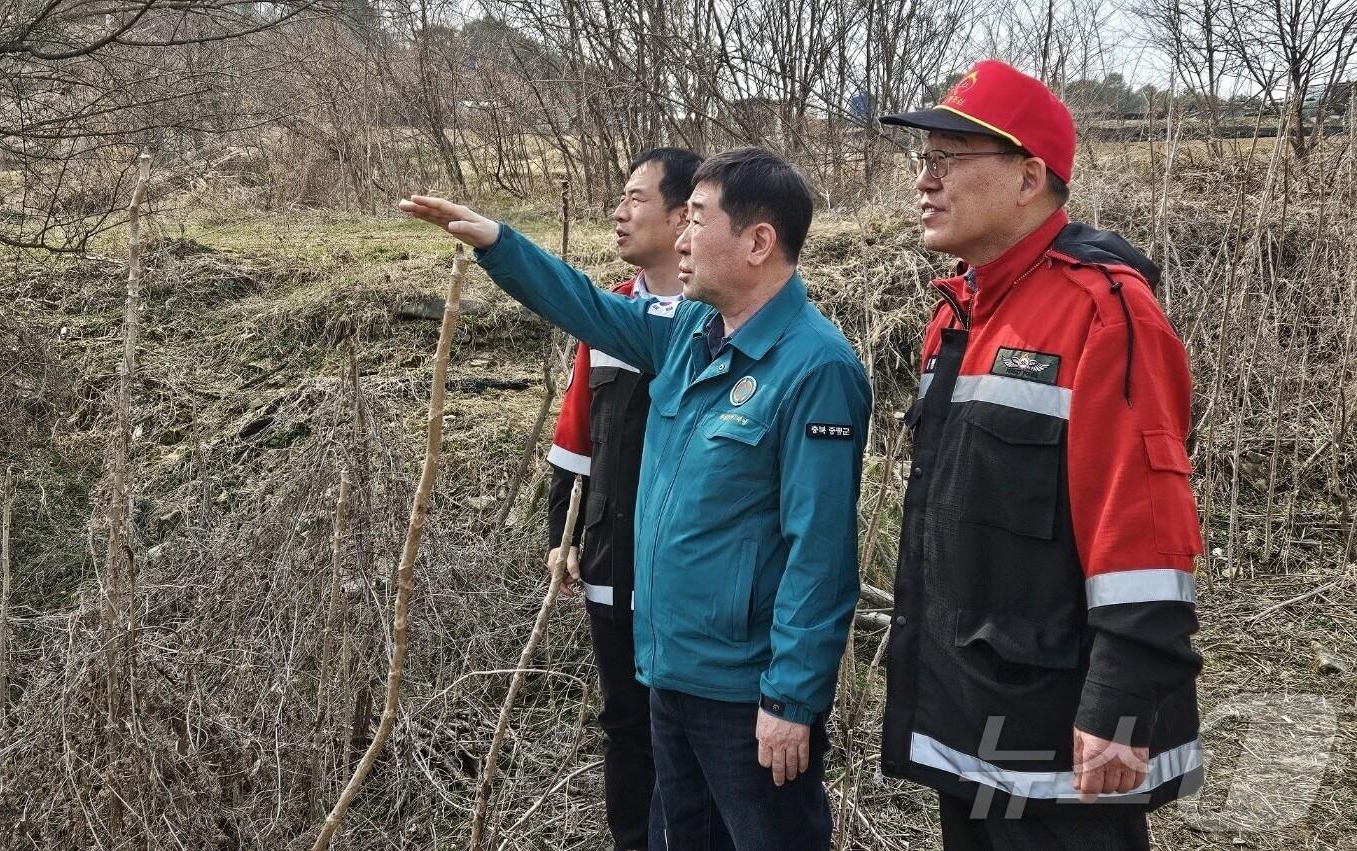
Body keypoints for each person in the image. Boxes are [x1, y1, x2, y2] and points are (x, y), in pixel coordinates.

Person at [400, 147, 870, 851]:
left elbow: (821, 554)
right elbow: (588, 308)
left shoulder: (815, 367)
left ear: (758, 241)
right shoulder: (691, 335)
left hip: (745, 695)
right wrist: (502, 245)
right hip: (668, 670)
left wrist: (791, 700)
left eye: (699, 220)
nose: (681, 238)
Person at [876, 60, 1205, 850]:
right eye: (922, 161)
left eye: (948, 160)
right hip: (972, 709)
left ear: (1028, 178)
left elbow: (1147, 528)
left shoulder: (1106, 314)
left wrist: (1120, 708)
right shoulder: (958, 310)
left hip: (1062, 735)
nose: (925, 183)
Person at [544, 147, 703, 851]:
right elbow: (575, 435)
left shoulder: (717, 318)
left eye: (635, 198)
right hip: (612, 558)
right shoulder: (608, 312)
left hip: (687, 574)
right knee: (624, 724)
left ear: (681, 217)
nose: (618, 211)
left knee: (691, 729)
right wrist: (563, 534)